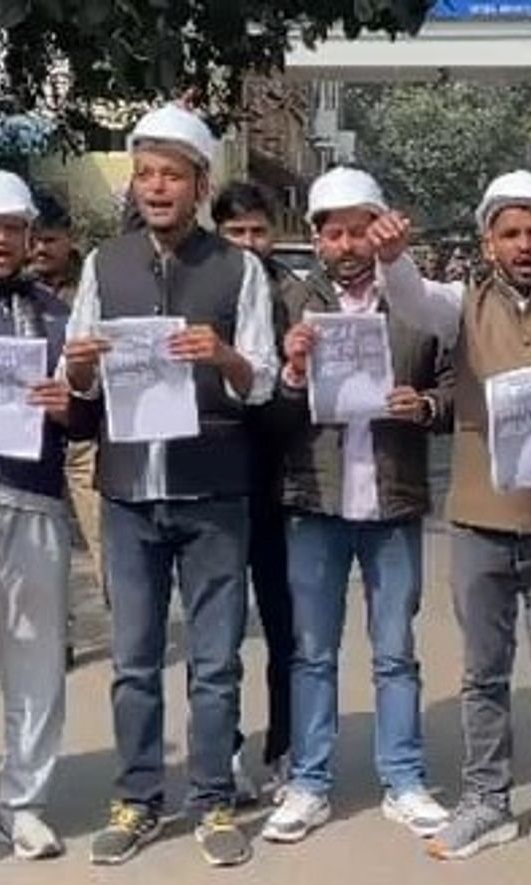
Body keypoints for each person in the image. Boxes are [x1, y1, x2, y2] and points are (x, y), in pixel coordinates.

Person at [374, 169, 531, 869]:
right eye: (510, 232)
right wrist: (393, 257)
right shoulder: (461, 305)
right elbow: (410, 298)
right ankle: (487, 801)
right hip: (479, 516)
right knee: (483, 673)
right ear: (489, 242)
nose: (524, 245)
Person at [64, 103, 278, 868]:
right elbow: (77, 377)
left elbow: (263, 383)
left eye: (172, 176)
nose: (156, 188)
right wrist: (79, 365)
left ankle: (214, 798)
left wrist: (223, 356)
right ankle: (137, 799)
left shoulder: (238, 268)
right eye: (146, 175)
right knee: (134, 661)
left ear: (199, 185)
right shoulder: (104, 264)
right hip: (128, 491)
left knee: (215, 662)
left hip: (212, 489)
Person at [260, 166, 452, 845]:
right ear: (317, 239)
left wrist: (424, 405)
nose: (347, 245)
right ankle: (310, 782)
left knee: (395, 651)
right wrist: (291, 371)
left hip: (392, 500)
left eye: (358, 231)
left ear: (379, 230)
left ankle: (404, 779)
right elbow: (266, 409)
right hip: (315, 499)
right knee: (312, 652)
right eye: (333, 233)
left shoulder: (415, 300)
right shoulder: (287, 303)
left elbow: (453, 384)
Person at [0, 167, 78, 859]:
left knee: (37, 656)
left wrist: (72, 408)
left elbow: (88, 411)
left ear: (31, 235)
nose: (0, 239)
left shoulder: (57, 314)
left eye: (12, 227)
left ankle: (23, 804)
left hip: (34, 495)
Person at [212, 180, 303, 800]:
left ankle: (286, 748)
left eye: (257, 231)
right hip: (214, 480)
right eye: (234, 232)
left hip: (282, 481)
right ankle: (222, 751)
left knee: (284, 627)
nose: (247, 243)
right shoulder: (199, 290)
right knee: (217, 635)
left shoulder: (295, 297)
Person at [29, 192, 107, 610]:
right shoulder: (11, 291)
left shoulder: (93, 287)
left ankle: (124, 620)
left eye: (50, 239)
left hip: (83, 439)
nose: (41, 248)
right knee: (36, 552)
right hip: (29, 439)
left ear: (69, 238)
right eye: (35, 239)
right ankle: (57, 631)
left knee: (105, 543)